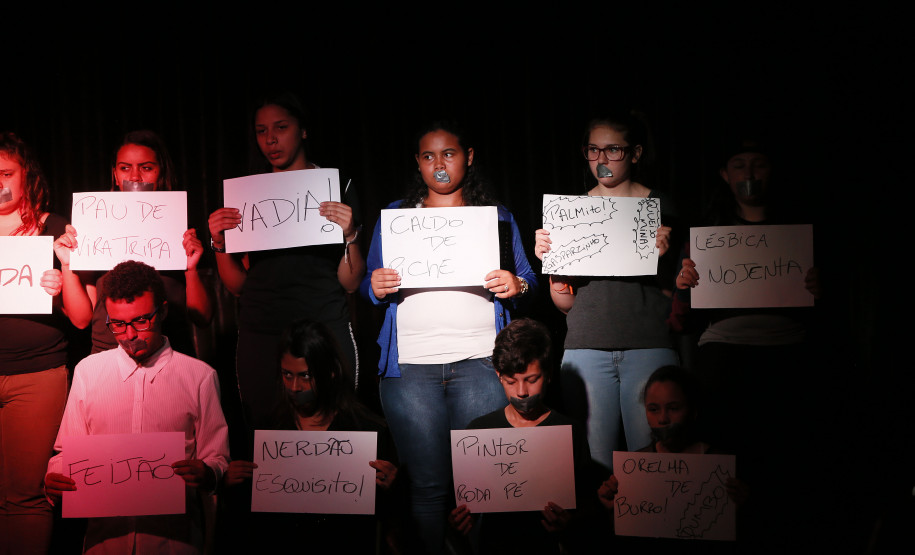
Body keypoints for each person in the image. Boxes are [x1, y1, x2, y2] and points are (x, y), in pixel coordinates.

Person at [361, 120, 539, 554]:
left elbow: (529, 279)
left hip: (481, 364)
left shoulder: (496, 217)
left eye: (449, 153)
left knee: (481, 486)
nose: (438, 164)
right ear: (418, 163)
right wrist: (375, 286)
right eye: (428, 156)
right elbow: (367, 283)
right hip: (410, 372)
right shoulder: (397, 217)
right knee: (426, 486)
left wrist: (517, 285)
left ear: (468, 157)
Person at [44, 260, 229, 554]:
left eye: (141, 321)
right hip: (106, 542)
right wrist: (54, 477)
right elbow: (67, 452)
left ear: (163, 311)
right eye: (117, 324)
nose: (129, 335)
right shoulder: (88, 372)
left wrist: (207, 473)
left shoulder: (199, 377)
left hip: (172, 542)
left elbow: (218, 459)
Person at [208, 92, 364, 431]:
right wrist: (218, 244)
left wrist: (351, 234)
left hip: (324, 323)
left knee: (336, 429)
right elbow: (238, 286)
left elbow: (351, 282)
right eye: (261, 131)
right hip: (262, 330)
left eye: (281, 127)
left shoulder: (335, 185)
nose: (270, 139)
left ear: (303, 130)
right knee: (267, 435)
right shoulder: (248, 194)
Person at [534, 114, 678, 475]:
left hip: (647, 344)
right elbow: (566, 305)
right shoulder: (570, 214)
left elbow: (680, 291)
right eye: (593, 149)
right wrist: (554, 263)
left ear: (635, 153)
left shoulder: (659, 206)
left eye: (613, 149)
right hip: (587, 346)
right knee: (597, 464)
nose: (602, 159)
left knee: (650, 460)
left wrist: (665, 257)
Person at [673, 137, 819, 459]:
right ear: (725, 174)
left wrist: (819, 288)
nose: (749, 174)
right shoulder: (706, 235)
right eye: (739, 166)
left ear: (773, 170)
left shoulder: (799, 233)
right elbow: (680, 321)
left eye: (759, 165)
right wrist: (684, 287)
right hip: (724, 354)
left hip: (789, 351)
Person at [221, 319, 399, 552]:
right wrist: (231, 482)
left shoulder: (366, 432)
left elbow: (387, 521)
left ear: (331, 373)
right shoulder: (266, 433)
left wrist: (394, 487)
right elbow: (250, 520)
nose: (295, 387)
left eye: (305, 376)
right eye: (287, 374)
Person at [0, 132, 91, 555]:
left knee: (27, 494)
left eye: (6, 173)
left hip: (37, 376)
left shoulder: (54, 228)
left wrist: (64, 277)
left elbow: (82, 317)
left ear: (26, 175)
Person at [54, 130, 212, 356]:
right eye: (125, 168)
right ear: (115, 174)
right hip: (109, 354)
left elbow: (203, 317)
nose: (135, 177)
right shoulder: (93, 226)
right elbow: (81, 320)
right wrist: (67, 264)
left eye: (146, 168)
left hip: (169, 354)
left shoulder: (181, 228)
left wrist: (192, 270)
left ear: (161, 171)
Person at [449, 318, 599, 554]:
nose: (521, 392)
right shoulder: (479, 433)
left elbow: (587, 506)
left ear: (548, 374)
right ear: (499, 376)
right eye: (511, 381)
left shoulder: (569, 430)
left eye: (531, 380)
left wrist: (570, 522)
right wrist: (459, 521)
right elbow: (464, 508)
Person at [596, 366, 746, 553]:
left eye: (673, 408)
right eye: (653, 409)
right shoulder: (633, 470)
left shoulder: (721, 465)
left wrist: (740, 509)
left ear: (693, 410)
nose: (663, 418)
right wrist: (612, 512)